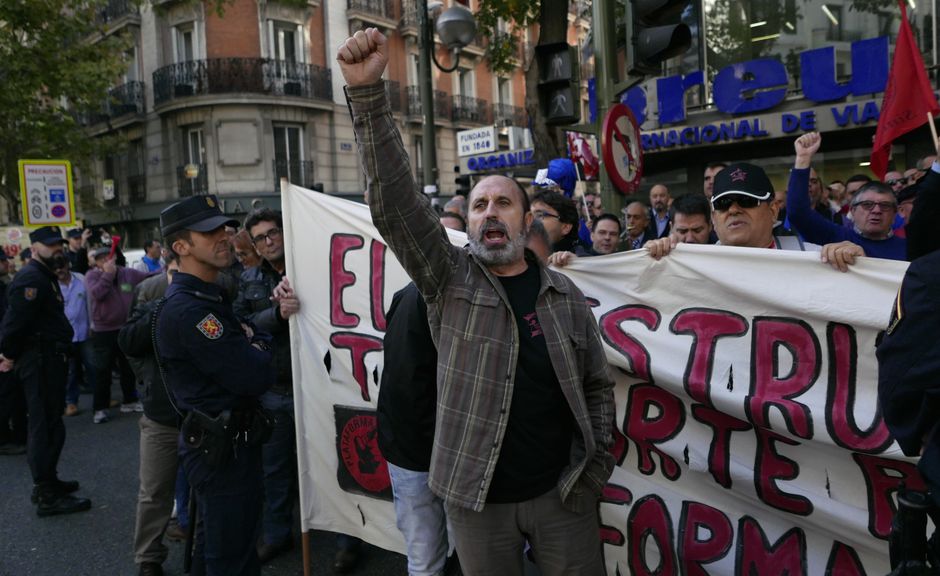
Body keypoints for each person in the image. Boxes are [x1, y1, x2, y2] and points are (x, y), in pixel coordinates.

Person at [339, 28, 614, 576]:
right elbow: (395, 205)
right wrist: (369, 99)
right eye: (480, 204)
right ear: (467, 223)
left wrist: (594, 465)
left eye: (504, 203)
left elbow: (596, 385)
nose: (491, 212)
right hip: (475, 501)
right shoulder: (448, 280)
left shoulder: (565, 296)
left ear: (526, 218)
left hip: (563, 499)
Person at [156, 194, 275, 576]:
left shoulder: (209, 294)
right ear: (181, 247)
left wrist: (252, 339)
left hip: (227, 442)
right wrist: (255, 343)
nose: (224, 236)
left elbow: (251, 334)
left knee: (219, 548)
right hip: (220, 448)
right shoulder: (192, 309)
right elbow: (255, 373)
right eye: (209, 232)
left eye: (224, 226)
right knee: (231, 559)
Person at [376, 212, 467, 576]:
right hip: (425, 452)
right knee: (431, 556)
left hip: (419, 451)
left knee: (429, 555)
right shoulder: (422, 299)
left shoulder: (413, 295)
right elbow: (404, 385)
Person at [0, 226, 92, 516]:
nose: (58, 249)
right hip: (38, 362)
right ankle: (46, 493)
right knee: (43, 426)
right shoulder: (31, 279)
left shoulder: (44, 276)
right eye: (51, 245)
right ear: (35, 246)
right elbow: (14, 325)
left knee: (53, 423)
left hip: (49, 360)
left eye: (60, 245)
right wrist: (8, 355)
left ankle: (50, 480)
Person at [233, 209, 302, 566]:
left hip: (316, 385)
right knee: (274, 468)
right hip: (274, 388)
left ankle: (345, 539)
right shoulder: (248, 279)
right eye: (260, 237)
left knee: (326, 464)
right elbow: (241, 325)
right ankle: (277, 534)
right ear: (255, 245)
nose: (269, 240)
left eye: (273, 232)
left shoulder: (310, 264)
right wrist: (276, 315)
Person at [647, 161, 866, 272]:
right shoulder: (686, 264)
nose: (733, 210)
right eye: (724, 204)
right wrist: (653, 262)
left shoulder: (817, 259)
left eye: (746, 201)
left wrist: (859, 266)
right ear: (714, 218)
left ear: (773, 211)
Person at [120, 256, 181, 576]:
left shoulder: (214, 293)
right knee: (155, 490)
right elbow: (128, 342)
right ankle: (148, 558)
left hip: (203, 414)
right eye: (176, 272)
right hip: (161, 415)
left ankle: (206, 544)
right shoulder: (150, 295)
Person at [787, 132, 906, 261]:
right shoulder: (837, 236)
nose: (876, 211)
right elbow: (798, 213)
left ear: (895, 213)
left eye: (885, 206)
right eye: (867, 205)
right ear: (852, 211)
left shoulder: (910, 248)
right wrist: (803, 158)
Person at [86, 246, 151, 423]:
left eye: (109, 257)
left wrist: (168, 268)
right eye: (101, 259)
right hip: (103, 331)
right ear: (96, 262)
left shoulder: (126, 273)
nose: (106, 262)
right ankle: (100, 407)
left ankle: (130, 400)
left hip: (124, 327)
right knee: (102, 370)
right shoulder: (92, 275)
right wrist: (107, 275)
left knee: (128, 367)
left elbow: (147, 277)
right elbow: (97, 294)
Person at [55, 259, 94, 417]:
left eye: (62, 265)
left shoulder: (81, 279)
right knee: (70, 372)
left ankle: (102, 398)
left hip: (85, 332)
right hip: (65, 336)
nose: (59, 270)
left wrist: (93, 324)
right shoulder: (51, 285)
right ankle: (71, 402)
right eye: (55, 267)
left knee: (94, 366)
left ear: (67, 264)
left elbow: (90, 303)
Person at [530, 189, 580, 254]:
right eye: (529, 216)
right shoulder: (521, 257)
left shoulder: (581, 259)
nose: (531, 221)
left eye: (540, 215)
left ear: (565, 227)